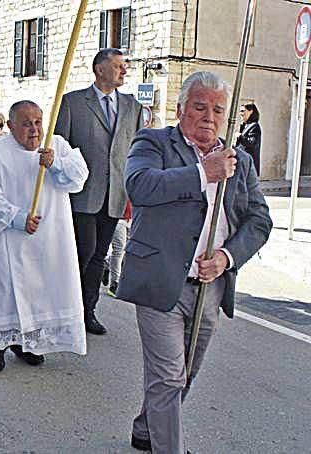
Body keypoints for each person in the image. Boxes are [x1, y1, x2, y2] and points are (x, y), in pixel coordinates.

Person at [118, 71, 272, 454]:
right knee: (169, 377)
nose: (209, 116)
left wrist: (226, 257)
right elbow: (140, 186)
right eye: (200, 107)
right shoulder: (154, 142)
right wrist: (204, 173)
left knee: (182, 374)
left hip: (209, 286)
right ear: (180, 108)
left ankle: (146, 428)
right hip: (159, 282)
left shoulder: (242, 163)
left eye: (218, 110)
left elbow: (259, 219)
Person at [0, 100, 89, 372]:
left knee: (42, 293)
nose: (34, 130)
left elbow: (79, 177)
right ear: (11, 126)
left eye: (38, 122)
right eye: (26, 124)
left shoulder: (56, 145)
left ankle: (26, 343)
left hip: (51, 239)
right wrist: (17, 218)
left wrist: (55, 163)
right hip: (10, 241)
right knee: (7, 294)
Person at [55, 48, 143, 335]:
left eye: (124, 66)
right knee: (82, 252)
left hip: (115, 195)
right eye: (118, 66)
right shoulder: (73, 103)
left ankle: (86, 312)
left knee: (99, 256)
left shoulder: (133, 107)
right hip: (80, 194)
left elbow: (138, 150)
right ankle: (62, 308)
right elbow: (60, 148)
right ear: (100, 69)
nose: (124, 71)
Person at [236, 103, 261, 176]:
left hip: (248, 164)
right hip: (242, 163)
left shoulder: (254, 126)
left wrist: (240, 136)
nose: (241, 113)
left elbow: (252, 143)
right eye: (240, 111)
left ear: (251, 112)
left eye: (243, 111)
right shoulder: (245, 125)